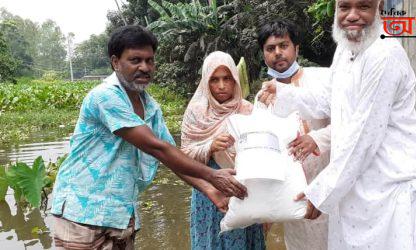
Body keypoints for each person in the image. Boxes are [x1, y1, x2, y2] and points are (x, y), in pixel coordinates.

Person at [50, 26, 247, 250]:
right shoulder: (104, 96)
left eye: (149, 60)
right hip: (82, 213)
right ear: (116, 62)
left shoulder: (150, 106)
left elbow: (172, 157)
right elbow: (157, 148)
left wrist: (209, 190)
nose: (145, 67)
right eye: (135, 60)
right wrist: (212, 176)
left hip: (121, 214)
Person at [259, 0, 416, 249]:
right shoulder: (345, 50)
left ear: (379, 7)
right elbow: (328, 100)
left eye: (363, 7)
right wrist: (283, 93)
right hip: (355, 193)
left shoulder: (384, 54)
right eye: (344, 7)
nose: (352, 16)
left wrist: (320, 193)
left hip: (389, 194)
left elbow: (364, 136)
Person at [257, 19, 331, 250]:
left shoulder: (323, 79)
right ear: (263, 54)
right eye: (270, 48)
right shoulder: (263, 98)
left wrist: (316, 139)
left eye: (283, 45)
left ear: (296, 48)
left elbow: (351, 126)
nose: (278, 53)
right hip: (294, 195)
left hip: (331, 185)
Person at [180, 51, 265, 250]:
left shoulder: (247, 110)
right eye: (214, 80)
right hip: (208, 192)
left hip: (243, 189)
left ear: (235, 79)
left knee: (245, 237)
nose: (221, 86)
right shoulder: (196, 112)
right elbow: (183, 156)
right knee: (211, 238)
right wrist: (209, 146)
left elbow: (262, 150)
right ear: (205, 82)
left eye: (227, 78)